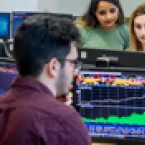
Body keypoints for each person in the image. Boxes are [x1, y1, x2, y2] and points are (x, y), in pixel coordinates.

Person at [0, 15, 91, 145]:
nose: (75, 71)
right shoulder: (63, 120)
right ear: (53, 66)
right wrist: (57, 111)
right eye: (73, 63)